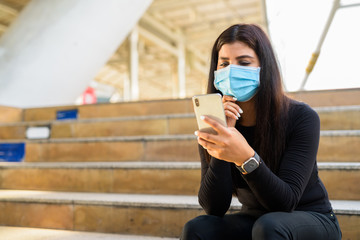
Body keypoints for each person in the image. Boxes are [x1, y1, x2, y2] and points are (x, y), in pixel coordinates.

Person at [180, 24, 342, 240]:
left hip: (310, 218)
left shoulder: (301, 117)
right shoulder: (216, 122)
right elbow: (214, 207)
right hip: (256, 219)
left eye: (244, 62)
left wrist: (245, 157)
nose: (231, 71)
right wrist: (223, 144)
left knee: (269, 226)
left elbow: (285, 202)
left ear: (264, 67)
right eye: (224, 64)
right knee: (198, 228)